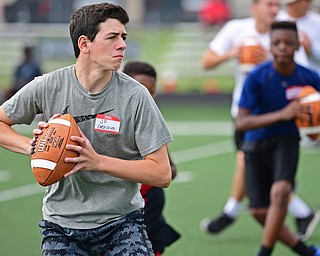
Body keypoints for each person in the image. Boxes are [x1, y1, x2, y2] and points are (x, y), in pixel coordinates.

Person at [0, 3, 174, 255]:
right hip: (60, 225)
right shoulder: (48, 85)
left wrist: (97, 161)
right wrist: (34, 148)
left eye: (123, 37)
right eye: (112, 37)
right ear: (85, 44)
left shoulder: (136, 95)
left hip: (121, 223)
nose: (122, 44)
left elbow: (162, 173)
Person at [200, 0, 319, 241]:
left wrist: (271, 61)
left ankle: (232, 212)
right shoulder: (236, 29)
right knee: (257, 170)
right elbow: (206, 62)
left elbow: (304, 78)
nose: (275, 9)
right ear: (254, 6)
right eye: (269, 4)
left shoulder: (285, 35)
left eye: (277, 5)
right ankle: (300, 213)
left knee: (251, 166)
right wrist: (234, 53)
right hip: (245, 114)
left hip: (279, 119)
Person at [237, 20, 320, 256]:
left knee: (281, 191)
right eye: (277, 43)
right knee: (258, 211)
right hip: (255, 142)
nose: (282, 47)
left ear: (298, 46)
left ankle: (264, 253)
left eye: (288, 43)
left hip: (287, 140)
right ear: (271, 46)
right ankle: (306, 252)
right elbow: (242, 122)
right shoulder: (257, 77)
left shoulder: (308, 77)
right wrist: (283, 114)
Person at [123, 60, 181, 256]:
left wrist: (155, 172)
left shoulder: (153, 123)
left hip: (151, 210)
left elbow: (170, 169)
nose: (149, 96)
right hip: (122, 210)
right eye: (142, 89)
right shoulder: (111, 123)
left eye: (153, 90)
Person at [277, 0, 320, 74]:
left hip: (313, 78)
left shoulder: (317, 21)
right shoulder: (277, 20)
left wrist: (311, 47)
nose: (308, 2)